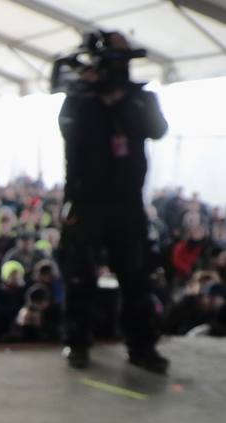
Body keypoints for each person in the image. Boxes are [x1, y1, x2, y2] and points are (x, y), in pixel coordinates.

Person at [56, 31, 169, 372]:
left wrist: (120, 101)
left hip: (126, 204)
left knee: (136, 278)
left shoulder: (139, 99)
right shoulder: (79, 99)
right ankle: (77, 343)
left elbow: (157, 129)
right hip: (86, 202)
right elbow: (72, 132)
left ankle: (141, 346)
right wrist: (93, 97)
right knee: (80, 277)